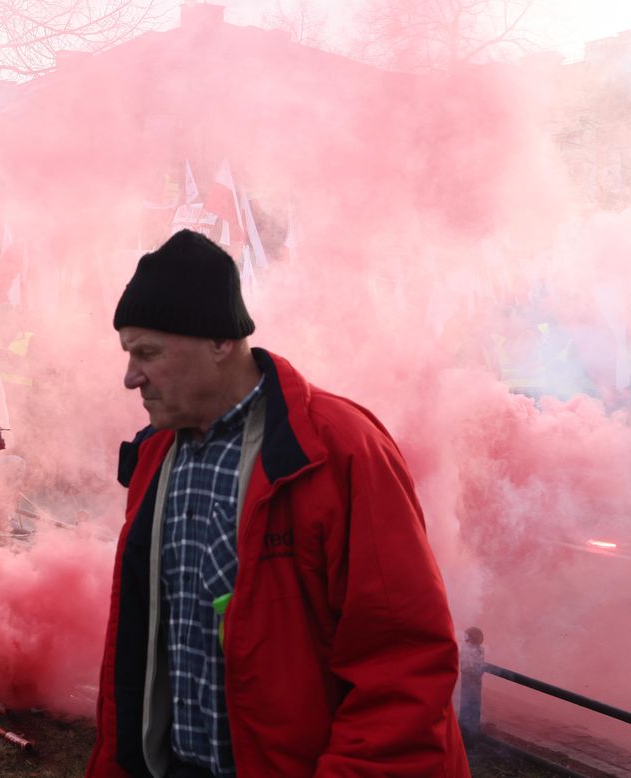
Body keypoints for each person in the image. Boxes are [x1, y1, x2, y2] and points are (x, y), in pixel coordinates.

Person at [88, 230, 469, 778]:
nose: (131, 378)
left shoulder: (340, 450)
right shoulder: (154, 452)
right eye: (129, 354)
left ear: (220, 341)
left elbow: (403, 665)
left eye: (147, 353)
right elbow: (142, 650)